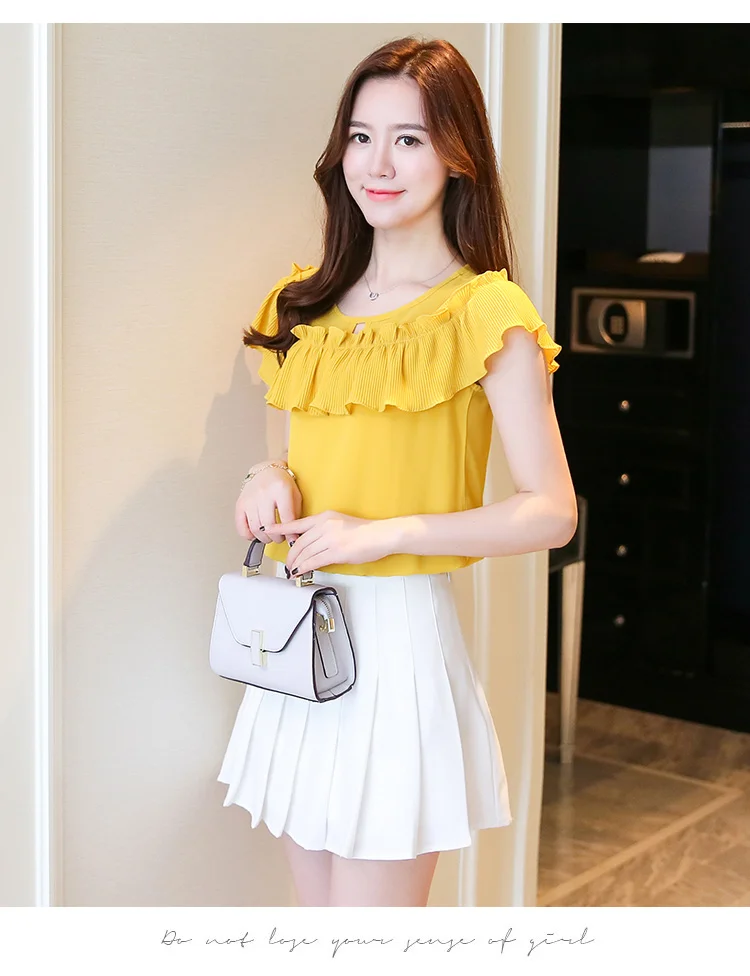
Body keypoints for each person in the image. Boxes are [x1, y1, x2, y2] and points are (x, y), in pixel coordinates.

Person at [217, 35, 577, 908]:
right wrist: (264, 478)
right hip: (298, 640)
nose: (377, 164)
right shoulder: (302, 305)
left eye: (409, 139)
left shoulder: (484, 312)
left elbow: (552, 510)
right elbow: (307, 455)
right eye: (361, 136)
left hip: (397, 650)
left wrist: (382, 536)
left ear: (457, 156)